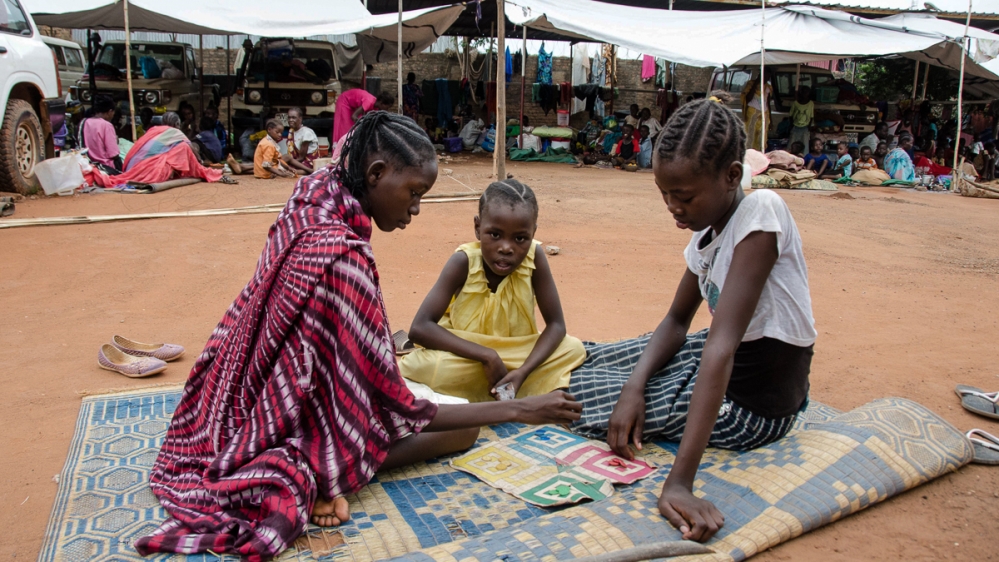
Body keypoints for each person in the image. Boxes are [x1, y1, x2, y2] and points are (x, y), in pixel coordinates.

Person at [134, 111, 583, 560]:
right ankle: (319, 476)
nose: (415, 209)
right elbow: (402, 405)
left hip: (238, 389)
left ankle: (322, 467)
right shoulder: (345, 259)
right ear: (374, 174)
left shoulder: (313, 195)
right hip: (286, 408)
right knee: (464, 428)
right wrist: (518, 409)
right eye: (413, 193)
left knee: (415, 388)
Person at [567, 94, 814, 544]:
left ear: (732, 176)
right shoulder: (706, 233)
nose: (672, 207)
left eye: (682, 196)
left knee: (576, 396)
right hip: (725, 354)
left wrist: (679, 482)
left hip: (754, 401)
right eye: (664, 194)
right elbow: (676, 322)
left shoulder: (763, 213)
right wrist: (634, 387)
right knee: (606, 357)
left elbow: (720, 350)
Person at [400, 180, 587, 402]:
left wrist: (523, 371)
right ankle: (516, 389)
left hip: (517, 354)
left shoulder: (535, 257)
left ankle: (510, 383)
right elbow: (420, 328)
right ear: (478, 228)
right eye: (495, 235)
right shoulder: (463, 262)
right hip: (466, 354)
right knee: (432, 367)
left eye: (520, 238)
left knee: (573, 349)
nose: (506, 248)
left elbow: (557, 325)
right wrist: (487, 356)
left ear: (533, 232)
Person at [86, 111, 228, 188]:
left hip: (129, 166)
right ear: (176, 124)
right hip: (146, 171)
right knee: (183, 148)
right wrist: (202, 168)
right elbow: (192, 154)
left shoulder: (154, 130)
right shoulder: (175, 134)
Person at [79, 96, 122, 174]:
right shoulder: (107, 125)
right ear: (110, 111)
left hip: (89, 164)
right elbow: (113, 153)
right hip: (105, 167)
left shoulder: (85, 122)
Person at [741, 72, 772, 151]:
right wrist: (755, 84)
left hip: (764, 113)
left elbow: (768, 103)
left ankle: (760, 153)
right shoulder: (750, 84)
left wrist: (770, 120)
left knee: (762, 136)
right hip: (752, 112)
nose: (766, 78)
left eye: (768, 77)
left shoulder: (768, 87)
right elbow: (748, 99)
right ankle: (749, 153)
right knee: (750, 135)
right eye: (765, 76)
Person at [288, 107, 319, 171]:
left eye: (293, 118)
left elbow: (301, 157)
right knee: (284, 160)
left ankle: (308, 170)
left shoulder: (306, 132)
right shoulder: (291, 131)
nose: (291, 120)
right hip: (297, 161)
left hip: (307, 162)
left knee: (284, 162)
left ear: (300, 119)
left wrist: (289, 162)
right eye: (289, 117)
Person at [788, 86, 813, 150]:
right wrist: (791, 125)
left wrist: (809, 126)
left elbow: (811, 116)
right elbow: (791, 115)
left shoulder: (811, 103)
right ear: (800, 93)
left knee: (805, 145)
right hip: (795, 126)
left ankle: (804, 158)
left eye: (806, 92)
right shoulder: (795, 103)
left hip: (805, 127)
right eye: (803, 92)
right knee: (792, 144)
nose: (805, 94)